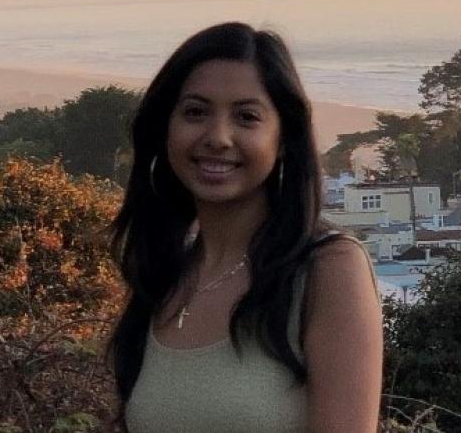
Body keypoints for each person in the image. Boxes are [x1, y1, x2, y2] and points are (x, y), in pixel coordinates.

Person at [107, 22, 382, 432]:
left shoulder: (327, 270)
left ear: (283, 138)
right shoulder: (164, 274)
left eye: (247, 117)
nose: (218, 137)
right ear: (166, 128)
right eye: (195, 112)